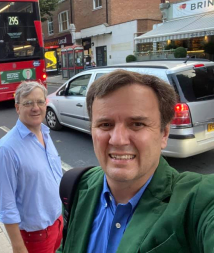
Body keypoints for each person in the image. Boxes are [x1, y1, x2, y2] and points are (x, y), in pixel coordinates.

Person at [58, 70, 214, 252]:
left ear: (164, 133)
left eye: (137, 124)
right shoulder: (76, 185)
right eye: (105, 124)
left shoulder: (198, 201)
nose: (118, 140)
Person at [0, 81, 63, 253]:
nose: (35, 108)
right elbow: (5, 203)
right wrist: (18, 246)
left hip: (59, 223)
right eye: (28, 103)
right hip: (36, 236)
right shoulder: (7, 148)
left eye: (40, 102)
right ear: (17, 108)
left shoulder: (45, 133)